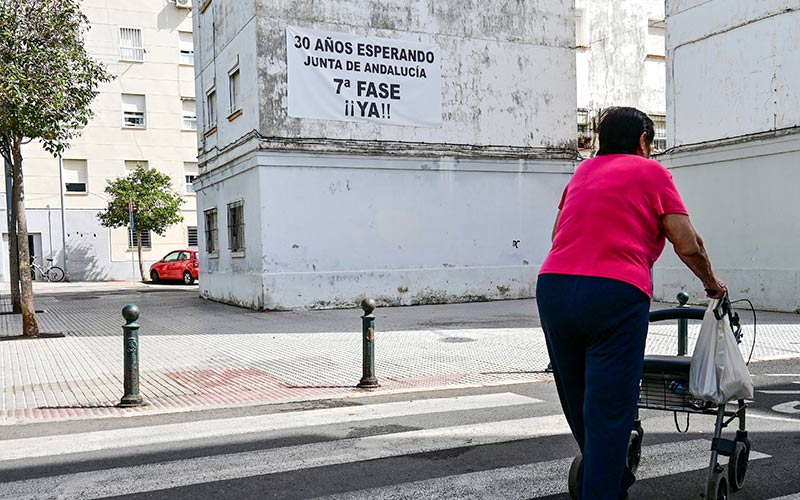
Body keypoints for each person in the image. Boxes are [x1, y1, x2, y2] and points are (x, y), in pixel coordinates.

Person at [537, 107, 726, 499]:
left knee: (579, 398)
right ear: (643, 141)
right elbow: (687, 242)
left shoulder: (582, 172)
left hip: (554, 287)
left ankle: (608, 477)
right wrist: (711, 283)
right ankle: (604, 489)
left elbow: (558, 233)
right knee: (608, 408)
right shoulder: (652, 173)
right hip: (615, 294)